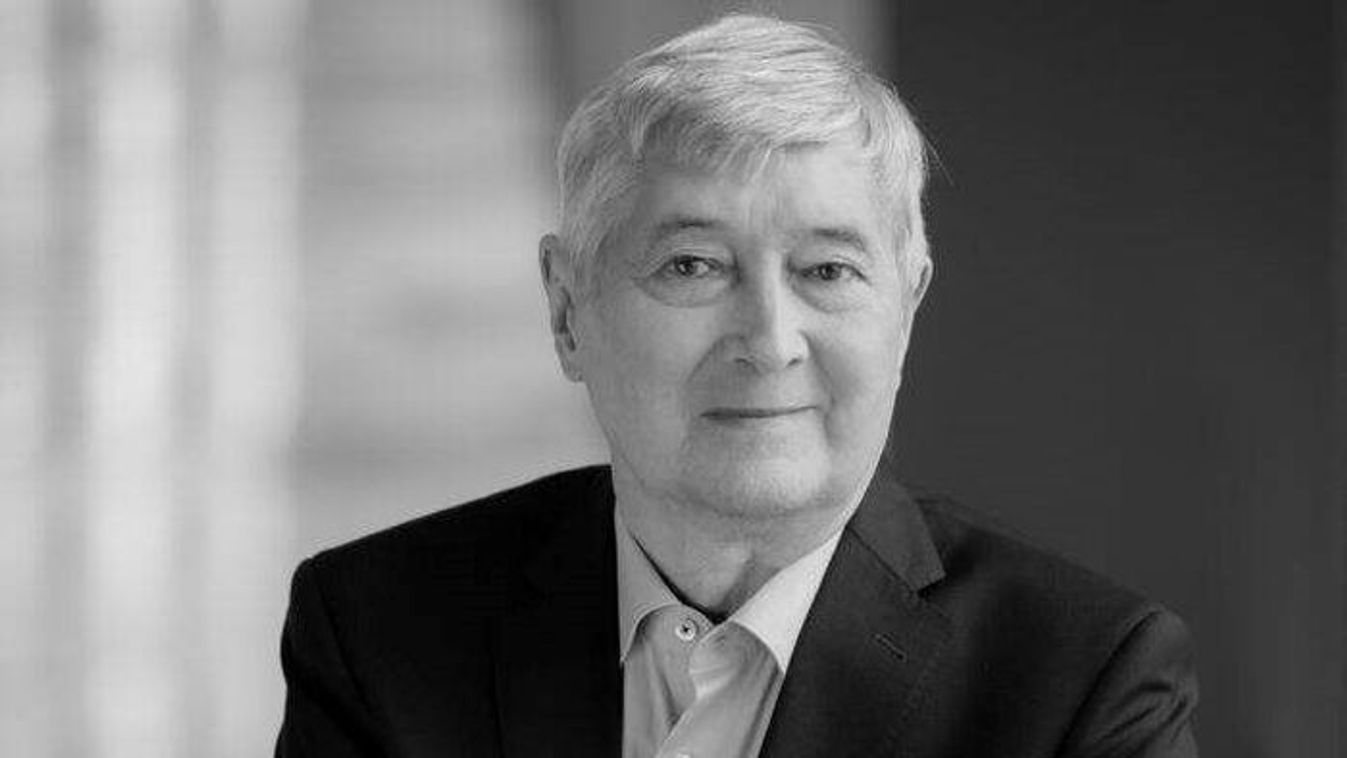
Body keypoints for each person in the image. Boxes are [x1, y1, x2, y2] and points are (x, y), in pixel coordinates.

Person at [274, 14, 1199, 758]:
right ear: (566, 310)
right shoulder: (377, 630)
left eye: (827, 271)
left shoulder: (1082, 684)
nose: (768, 342)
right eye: (691, 266)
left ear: (906, 312)